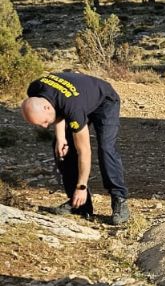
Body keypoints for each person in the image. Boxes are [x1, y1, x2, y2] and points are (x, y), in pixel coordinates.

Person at [20, 72, 130, 225]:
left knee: (106, 148)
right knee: (62, 149)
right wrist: (60, 137)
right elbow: (58, 106)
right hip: (78, 98)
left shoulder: (73, 108)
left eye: (44, 122)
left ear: (45, 107)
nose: (45, 126)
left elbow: (84, 151)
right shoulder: (35, 89)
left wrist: (82, 186)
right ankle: (80, 205)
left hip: (104, 100)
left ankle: (119, 199)